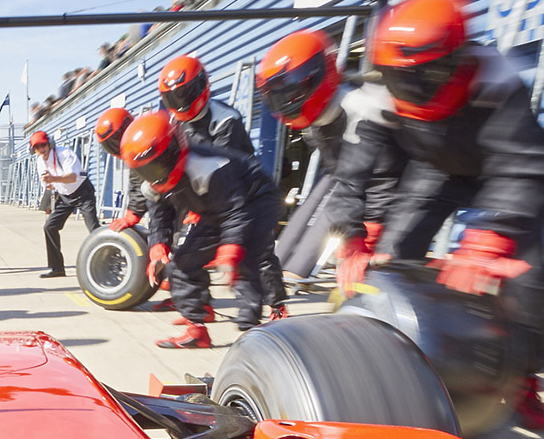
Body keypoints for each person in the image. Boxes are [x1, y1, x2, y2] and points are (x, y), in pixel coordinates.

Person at [327, 0, 544, 426]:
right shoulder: (376, 95)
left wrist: (487, 241)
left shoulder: (497, 79)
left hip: (501, 173)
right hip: (436, 171)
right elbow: (352, 174)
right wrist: (353, 234)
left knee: (529, 279)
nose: (415, 89)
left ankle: (519, 376)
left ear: (460, 59)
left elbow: (520, 165)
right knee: (390, 259)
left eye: (430, 75)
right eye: (403, 79)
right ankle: (404, 363)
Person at [121, 113, 283, 348]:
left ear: (175, 148)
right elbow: (160, 213)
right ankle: (197, 330)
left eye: (159, 164)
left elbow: (235, 211)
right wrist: (158, 245)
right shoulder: (153, 182)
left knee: (246, 260)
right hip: (216, 207)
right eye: (147, 170)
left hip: (256, 199)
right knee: (182, 263)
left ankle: (257, 325)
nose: (156, 174)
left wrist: (230, 248)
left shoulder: (208, 167)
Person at [256, 29, 407, 280]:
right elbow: (341, 174)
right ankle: (283, 268)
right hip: (356, 178)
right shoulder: (321, 118)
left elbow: (384, 174)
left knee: (385, 275)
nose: (288, 101)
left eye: (291, 92)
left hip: (398, 191)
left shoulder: (362, 108)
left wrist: (368, 227)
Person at [160, 55, 287, 323]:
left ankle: (276, 306)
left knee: (257, 250)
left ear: (201, 87)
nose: (180, 103)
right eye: (173, 97)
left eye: (184, 94)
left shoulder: (225, 119)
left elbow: (223, 168)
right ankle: (201, 306)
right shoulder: (174, 123)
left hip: (245, 191)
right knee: (189, 250)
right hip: (209, 194)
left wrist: (201, 206)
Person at [30, 130, 100, 277]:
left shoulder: (65, 154)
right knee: (50, 227)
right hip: (64, 196)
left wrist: (53, 179)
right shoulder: (40, 161)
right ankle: (57, 268)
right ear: (33, 150)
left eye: (43, 145)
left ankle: (105, 260)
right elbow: (48, 184)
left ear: (49, 144)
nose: (41, 149)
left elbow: (72, 177)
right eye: (37, 147)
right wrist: (47, 196)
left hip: (83, 192)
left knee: (94, 228)